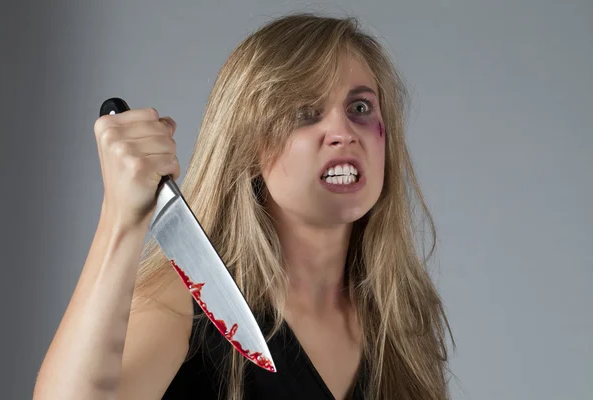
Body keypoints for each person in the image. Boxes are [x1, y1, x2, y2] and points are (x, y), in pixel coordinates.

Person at [33, 12, 453, 400]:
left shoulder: (402, 319)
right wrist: (121, 220)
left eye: (360, 108)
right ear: (247, 144)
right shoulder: (184, 301)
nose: (343, 131)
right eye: (305, 113)